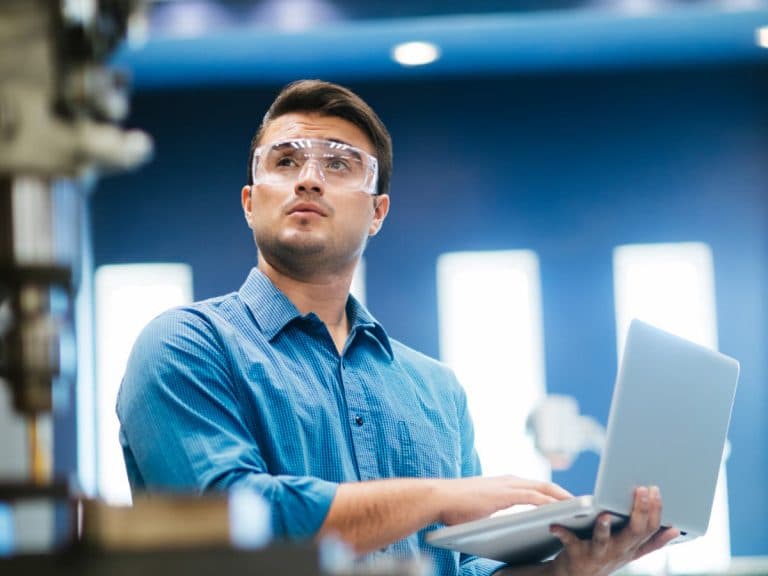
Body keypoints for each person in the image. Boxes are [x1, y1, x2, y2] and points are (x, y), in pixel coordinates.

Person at [116, 79, 679, 575]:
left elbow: (462, 572)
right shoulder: (184, 346)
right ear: (249, 201)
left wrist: (568, 571)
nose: (308, 179)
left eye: (339, 165)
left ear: (378, 212)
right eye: (285, 161)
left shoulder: (435, 389)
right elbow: (229, 522)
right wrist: (435, 497)